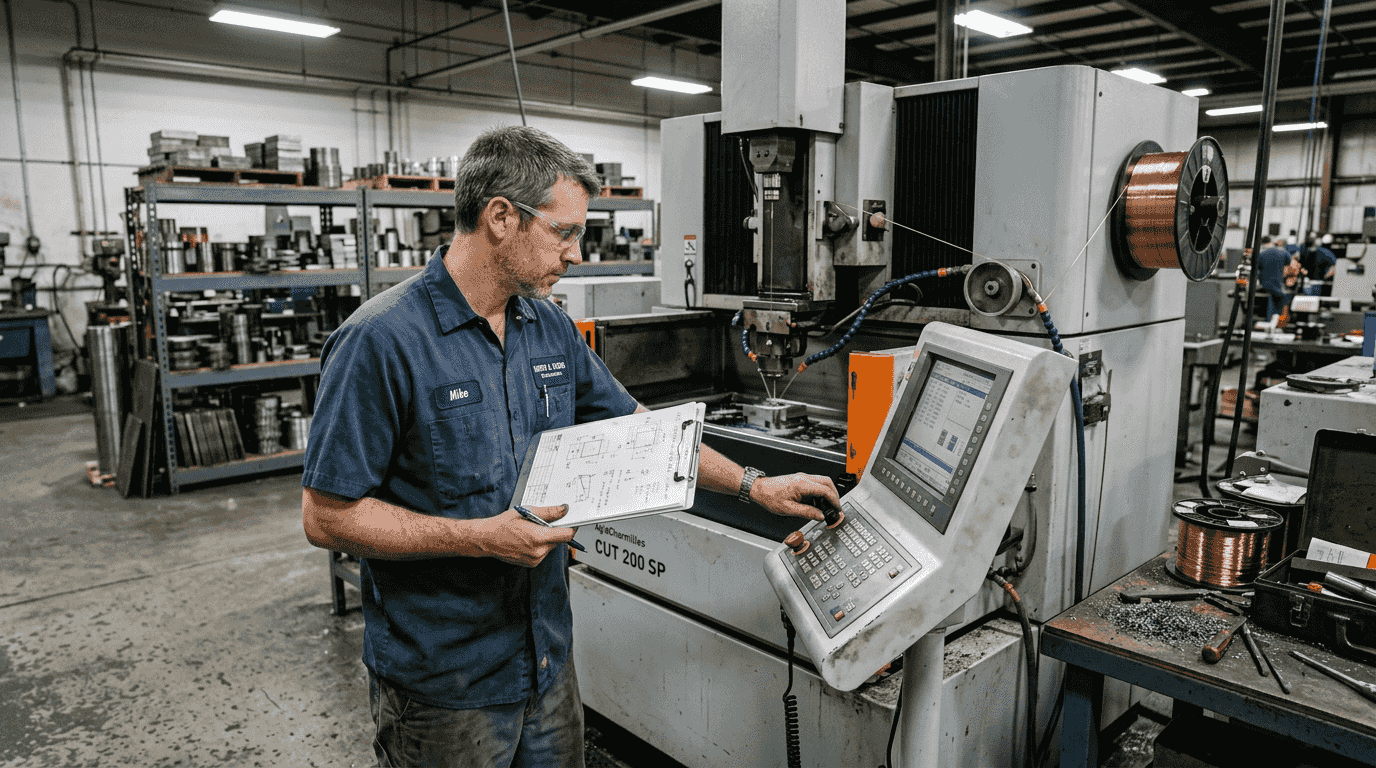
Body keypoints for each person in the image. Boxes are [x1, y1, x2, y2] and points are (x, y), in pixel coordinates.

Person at [300, 126, 840, 768]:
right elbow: (327, 516)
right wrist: (481, 537)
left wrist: (755, 486)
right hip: (445, 687)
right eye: (564, 232)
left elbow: (642, 433)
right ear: (500, 217)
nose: (576, 253)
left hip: (547, 662)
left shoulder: (546, 324)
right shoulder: (382, 341)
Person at [1255, 234, 1292, 323]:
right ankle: (1276, 321)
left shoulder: (1260, 254)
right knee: (1281, 302)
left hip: (1264, 286)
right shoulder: (1283, 252)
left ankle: (1268, 321)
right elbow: (1289, 266)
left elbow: (1256, 271)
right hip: (1277, 286)